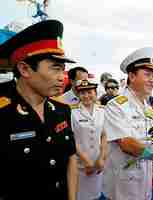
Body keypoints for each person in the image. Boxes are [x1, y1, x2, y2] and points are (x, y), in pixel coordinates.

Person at [0, 20, 78, 200]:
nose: (62, 78)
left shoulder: (62, 110)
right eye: (55, 69)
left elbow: (71, 158)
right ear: (25, 69)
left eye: (63, 70)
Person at [103, 47, 153, 200]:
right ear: (131, 75)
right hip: (124, 185)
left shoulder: (147, 107)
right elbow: (126, 143)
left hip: (144, 182)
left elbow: (150, 140)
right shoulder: (116, 106)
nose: (152, 80)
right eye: (147, 75)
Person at [71, 79, 108, 200]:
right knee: (80, 195)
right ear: (78, 95)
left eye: (89, 92)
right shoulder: (72, 112)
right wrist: (86, 160)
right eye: (82, 93)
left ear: (95, 93)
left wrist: (101, 158)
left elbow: (104, 135)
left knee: (96, 195)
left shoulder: (102, 111)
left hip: (98, 163)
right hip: (80, 164)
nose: (86, 96)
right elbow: (71, 139)